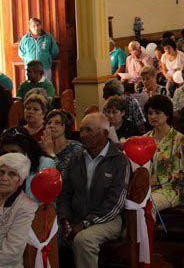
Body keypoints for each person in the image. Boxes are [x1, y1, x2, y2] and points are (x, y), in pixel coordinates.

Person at [58, 113, 130, 268]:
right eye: (82, 130)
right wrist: (65, 220)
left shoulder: (118, 160)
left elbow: (116, 203)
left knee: (84, 240)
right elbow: (65, 193)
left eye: (89, 130)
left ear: (104, 133)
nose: (83, 135)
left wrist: (84, 223)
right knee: (47, 232)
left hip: (107, 219)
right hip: (77, 217)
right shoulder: (76, 158)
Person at [143, 96, 184, 211]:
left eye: (157, 113)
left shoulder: (178, 139)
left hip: (170, 189)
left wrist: (156, 180)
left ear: (167, 114)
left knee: (147, 206)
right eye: (150, 113)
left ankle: (146, 229)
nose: (153, 116)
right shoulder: (145, 139)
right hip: (146, 188)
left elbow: (179, 173)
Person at [0, 153, 37, 268]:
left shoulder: (25, 207)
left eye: (12, 174)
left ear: (20, 181)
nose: (4, 178)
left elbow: (12, 253)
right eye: (1, 172)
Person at [41, 109, 82, 173]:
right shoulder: (39, 147)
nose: (51, 125)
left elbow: (65, 176)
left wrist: (51, 153)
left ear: (65, 126)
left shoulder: (76, 147)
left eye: (57, 123)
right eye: (49, 123)